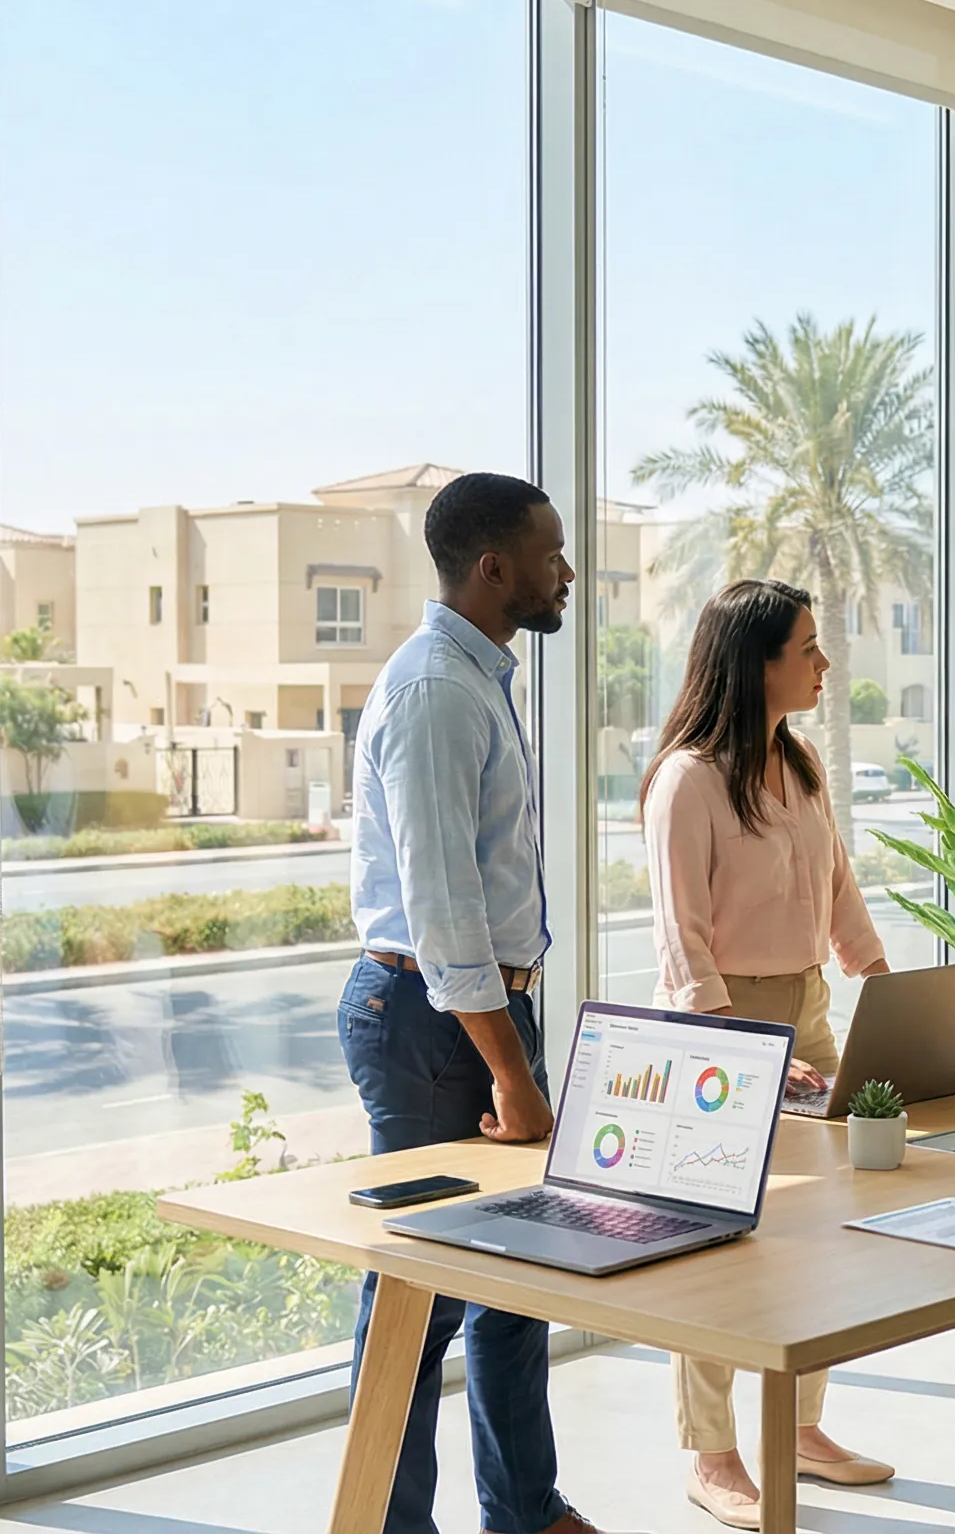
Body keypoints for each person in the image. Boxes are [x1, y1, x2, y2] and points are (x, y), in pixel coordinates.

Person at [340, 471, 596, 1534]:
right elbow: (444, 915)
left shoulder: (476, 674)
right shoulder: (438, 691)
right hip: (434, 1023)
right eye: (550, 554)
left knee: (514, 1274)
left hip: (475, 1012)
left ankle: (524, 1511)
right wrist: (513, 1077)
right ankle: (392, 1525)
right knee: (421, 1293)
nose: (567, 572)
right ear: (495, 568)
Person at [640, 578, 893, 1530]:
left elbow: (837, 884)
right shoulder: (689, 779)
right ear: (759, 664)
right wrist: (737, 1045)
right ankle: (711, 1453)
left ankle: (801, 1429)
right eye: (810, 648)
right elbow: (680, 936)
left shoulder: (803, 762)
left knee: (822, 1231)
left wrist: (879, 977)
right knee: (714, 1245)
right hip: (720, 1022)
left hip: (809, 1009)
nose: (824, 664)